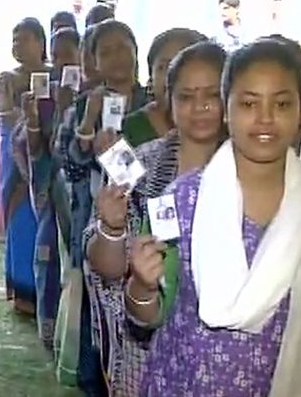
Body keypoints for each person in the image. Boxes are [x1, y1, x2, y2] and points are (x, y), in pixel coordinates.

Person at [128, 39, 301, 396]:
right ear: (226, 111)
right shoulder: (183, 199)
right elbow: (147, 316)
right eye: (249, 103)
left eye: (281, 103)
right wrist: (141, 284)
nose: (265, 117)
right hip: (181, 383)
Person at [84, 41, 227, 395]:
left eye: (212, 95)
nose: (200, 108)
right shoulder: (137, 164)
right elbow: (104, 267)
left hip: (226, 358)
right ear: (169, 99)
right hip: (146, 354)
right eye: (186, 96)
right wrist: (113, 228)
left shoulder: (252, 171)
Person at [55, 19, 148, 396]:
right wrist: (90, 120)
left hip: (145, 234)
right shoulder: (82, 107)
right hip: (97, 235)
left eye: (123, 46)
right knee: (97, 334)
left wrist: (114, 154)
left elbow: (147, 177)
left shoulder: (156, 104)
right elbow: (70, 166)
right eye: (105, 50)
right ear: (92, 60)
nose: (117, 57)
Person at [13, 27, 79, 351]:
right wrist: (33, 118)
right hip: (51, 194)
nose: (63, 60)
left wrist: (71, 110)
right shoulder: (43, 93)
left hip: (81, 199)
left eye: (70, 53)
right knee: (46, 256)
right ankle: (49, 328)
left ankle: (76, 336)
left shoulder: (92, 93)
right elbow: (31, 146)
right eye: (58, 54)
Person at [0, 17, 51, 315]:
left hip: (45, 159)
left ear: (41, 43)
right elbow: (5, 115)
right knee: (21, 221)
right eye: (15, 40)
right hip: (16, 162)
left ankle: (45, 291)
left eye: (25, 39)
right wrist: (28, 121)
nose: (18, 45)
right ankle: (23, 293)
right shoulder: (8, 78)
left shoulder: (55, 77)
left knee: (42, 222)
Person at [122, 28, 208, 147]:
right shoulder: (131, 127)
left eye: (182, 65)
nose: (171, 75)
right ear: (151, 77)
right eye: (163, 67)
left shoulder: (219, 122)